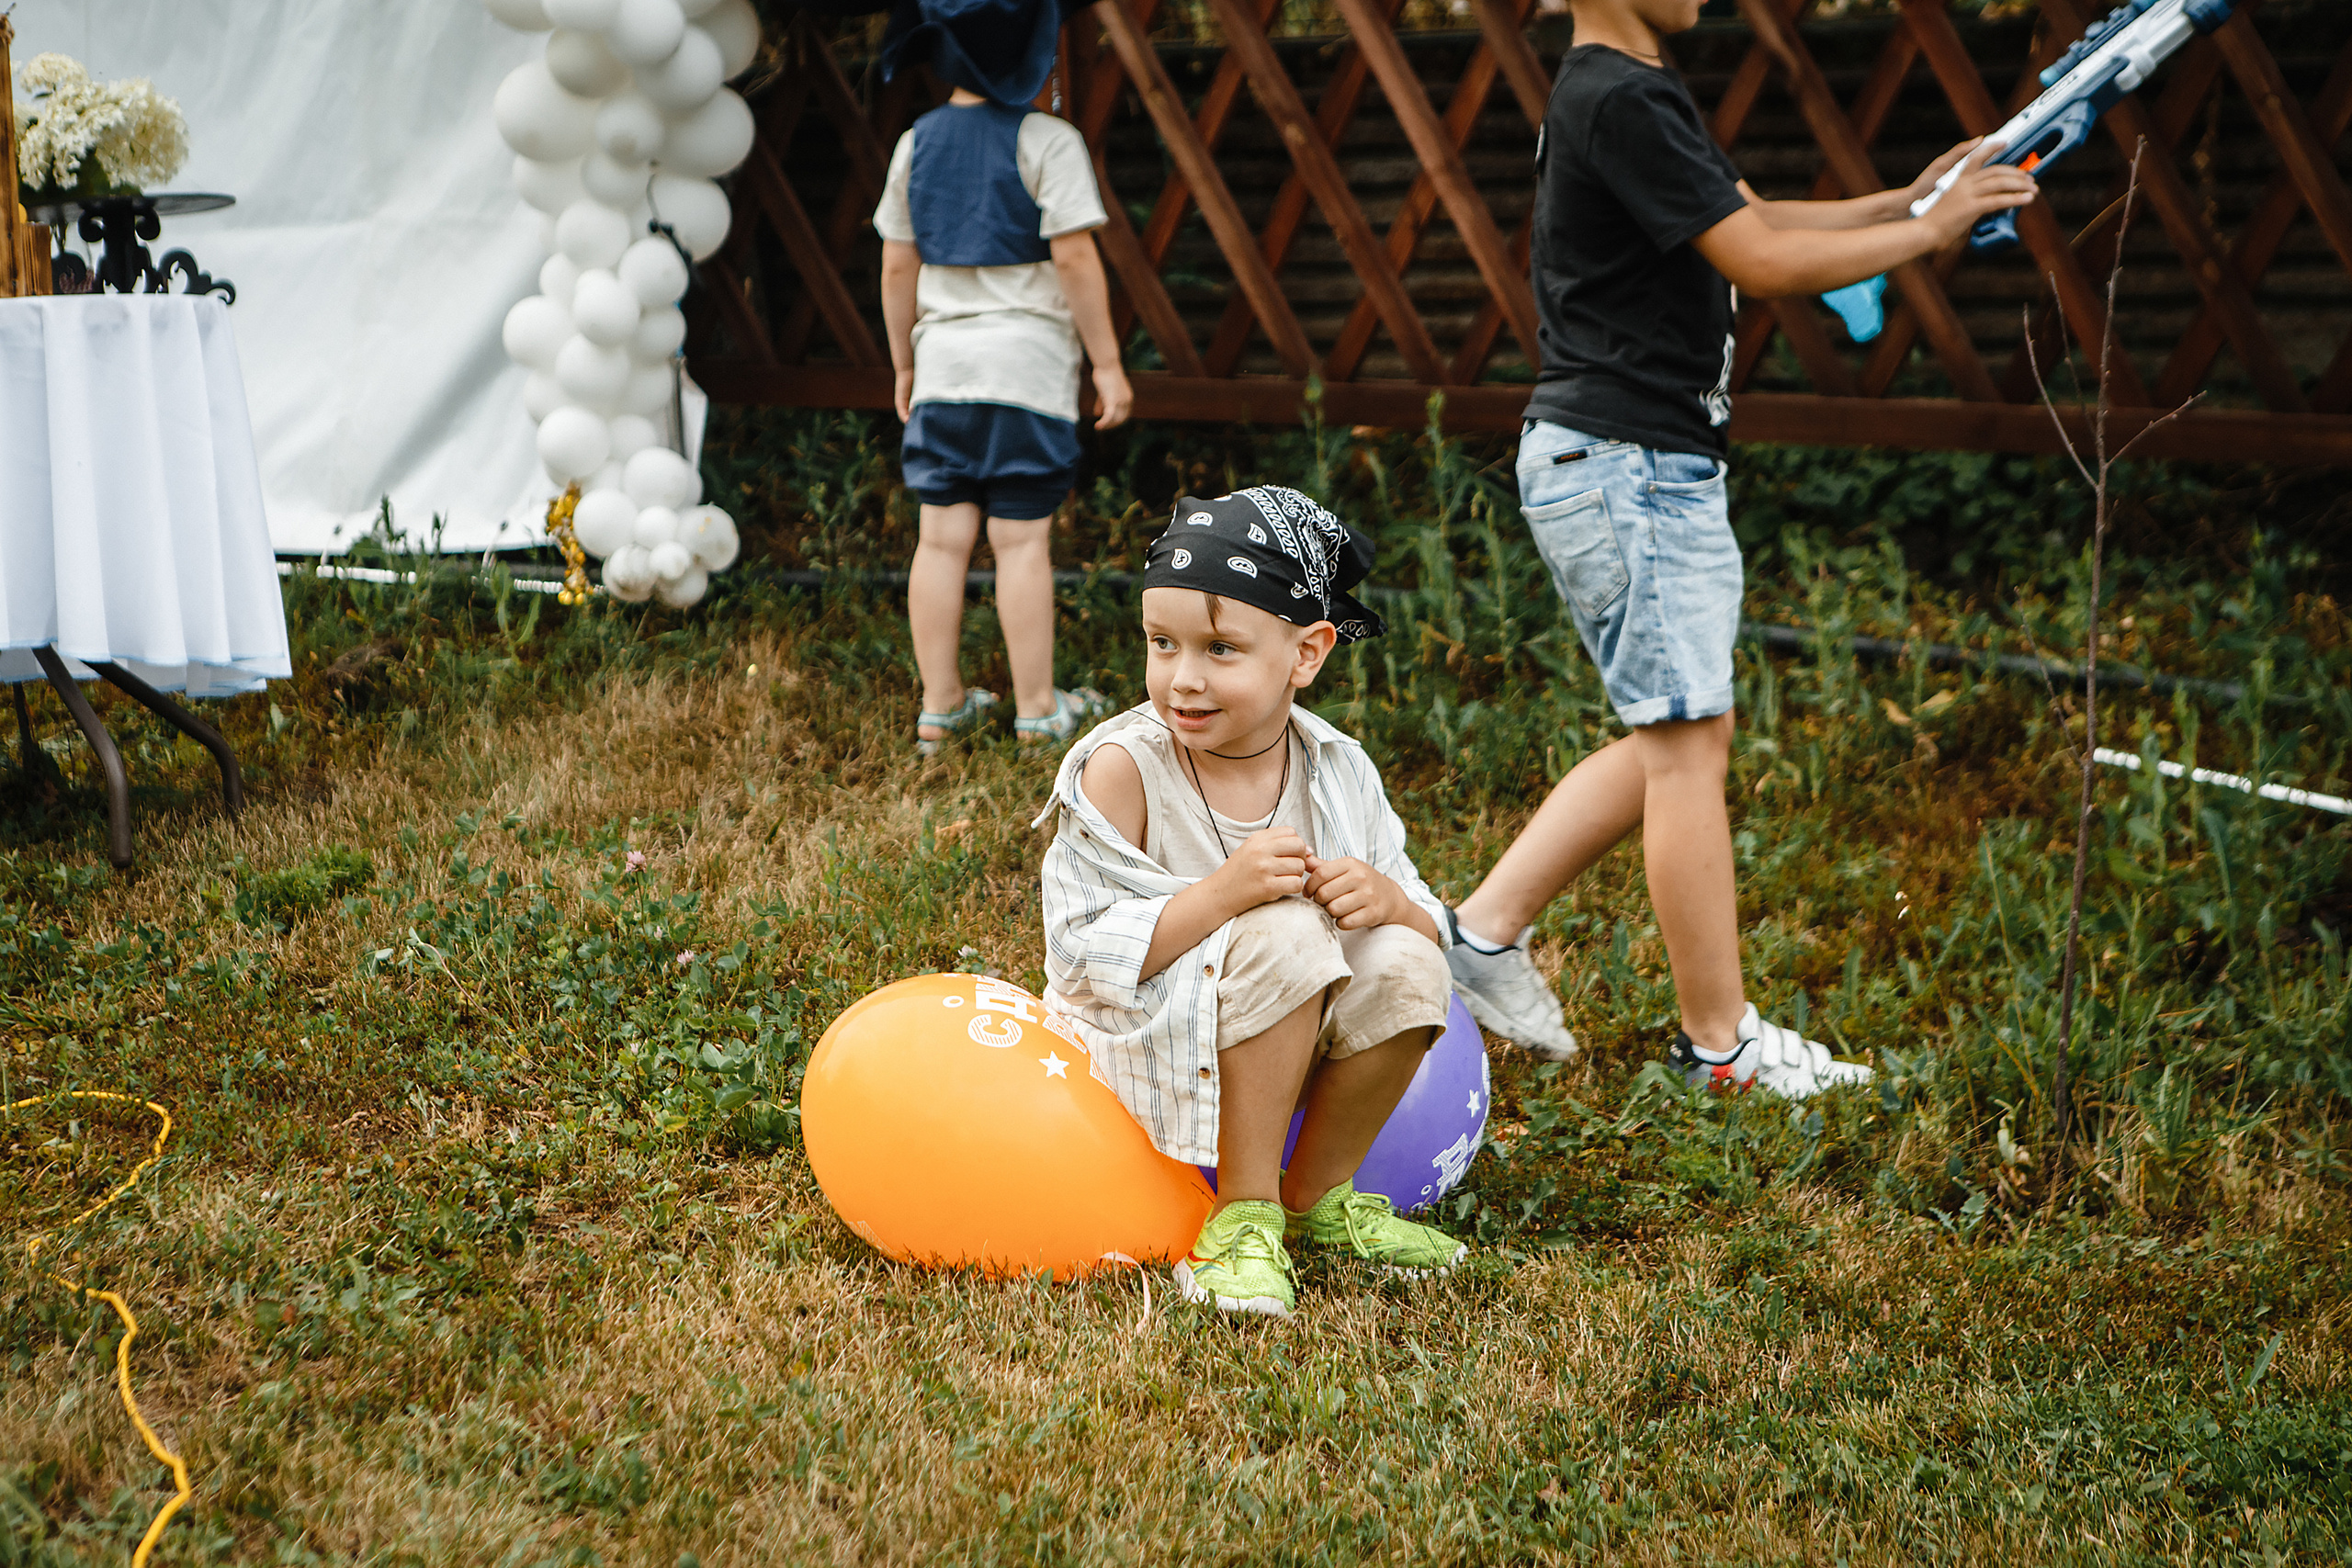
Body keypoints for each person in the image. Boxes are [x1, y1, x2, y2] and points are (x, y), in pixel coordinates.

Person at [1442, 0, 2041, 1096]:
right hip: (1627, 464)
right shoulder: (1615, 95)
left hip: (1632, 459)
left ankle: (1480, 936)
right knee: (1683, 745)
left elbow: (1749, 211)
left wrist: (1910, 196)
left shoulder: (1624, 88)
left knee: (1677, 731)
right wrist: (1929, 235)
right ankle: (1718, 1050)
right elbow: (1756, 257)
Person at [1035, 487, 1463, 1317]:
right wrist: (1222, 894)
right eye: (1162, 643)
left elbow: (1425, 918)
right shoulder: (1124, 770)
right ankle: (1242, 1214)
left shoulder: (1337, 768)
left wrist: (1387, 900)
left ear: (1307, 653)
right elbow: (1079, 956)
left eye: (1220, 648)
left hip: (1287, 1041)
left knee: (1410, 958)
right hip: (1150, 1040)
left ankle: (1318, 1198)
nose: (1183, 678)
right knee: (1289, 931)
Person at [872, 65, 1133, 753]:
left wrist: (904, 363)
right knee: (1020, 542)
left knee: (939, 540)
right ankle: (1038, 712)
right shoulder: (1049, 140)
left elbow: (897, 265)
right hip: (1026, 375)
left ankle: (941, 706)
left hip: (943, 371)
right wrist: (1107, 363)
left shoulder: (915, 143)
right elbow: (1074, 258)